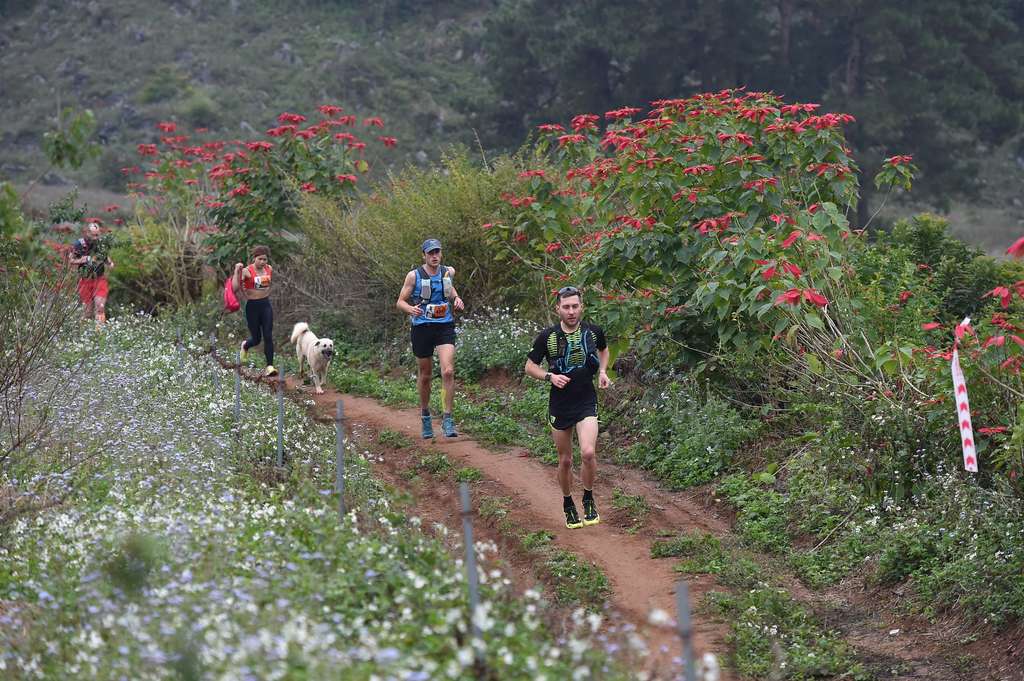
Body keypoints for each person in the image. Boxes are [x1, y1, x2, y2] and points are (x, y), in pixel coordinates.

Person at [525, 286, 610, 529]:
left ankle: (588, 497)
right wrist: (549, 377)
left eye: (575, 306)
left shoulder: (594, 332)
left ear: (581, 307)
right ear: (558, 309)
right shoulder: (547, 337)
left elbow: (603, 351)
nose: (571, 311)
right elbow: (529, 366)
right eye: (566, 307)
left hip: (586, 400)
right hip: (560, 404)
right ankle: (567, 503)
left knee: (588, 453)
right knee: (565, 461)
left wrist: (603, 371)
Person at [396, 238, 465, 438]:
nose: (434, 256)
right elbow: (400, 301)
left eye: (437, 252)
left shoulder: (447, 272)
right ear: (424, 255)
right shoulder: (413, 276)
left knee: (448, 371)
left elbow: (450, 288)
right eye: (430, 253)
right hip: (422, 327)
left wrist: (457, 298)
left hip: (444, 325)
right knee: (425, 376)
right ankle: (425, 416)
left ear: (441, 253)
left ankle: (447, 418)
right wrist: (410, 309)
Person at [234, 246, 277, 377]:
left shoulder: (269, 269)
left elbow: (268, 285)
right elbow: (235, 287)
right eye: (260, 259)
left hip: (265, 305)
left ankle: (270, 366)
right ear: (254, 258)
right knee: (257, 339)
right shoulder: (247, 271)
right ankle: (246, 345)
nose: (263, 262)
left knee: (268, 336)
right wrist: (237, 270)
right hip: (252, 307)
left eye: (265, 259)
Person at [68, 221, 114, 325]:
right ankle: (84, 333)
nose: (95, 237)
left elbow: (105, 256)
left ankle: (100, 333)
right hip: (85, 280)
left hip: (99, 278)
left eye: (97, 235)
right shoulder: (79, 244)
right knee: (87, 312)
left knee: (100, 307)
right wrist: (84, 259)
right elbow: (70, 260)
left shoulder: (101, 243)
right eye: (93, 235)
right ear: (87, 233)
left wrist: (110, 263)